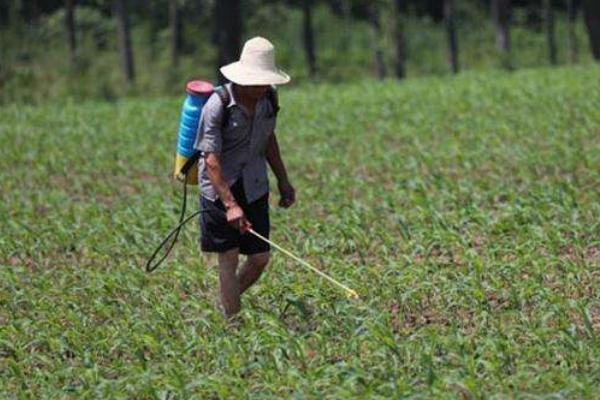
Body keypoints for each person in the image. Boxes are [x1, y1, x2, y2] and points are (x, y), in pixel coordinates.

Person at [194, 37, 296, 318]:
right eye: (258, 81)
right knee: (228, 257)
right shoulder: (217, 105)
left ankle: (226, 304)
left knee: (260, 257)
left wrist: (283, 181)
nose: (263, 86)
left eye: (266, 80)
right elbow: (211, 160)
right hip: (218, 190)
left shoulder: (268, 100)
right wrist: (230, 205)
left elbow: (268, 140)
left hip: (254, 185)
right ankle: (233, 326)